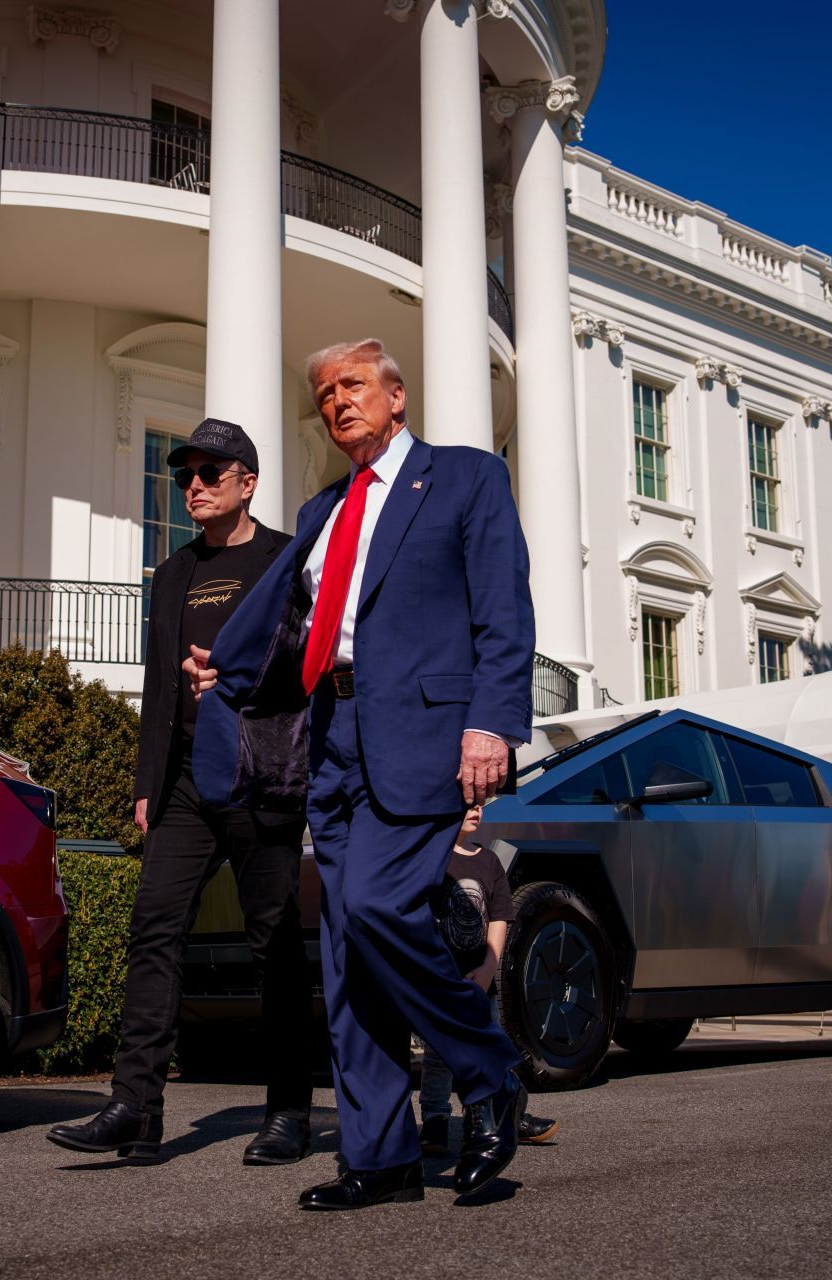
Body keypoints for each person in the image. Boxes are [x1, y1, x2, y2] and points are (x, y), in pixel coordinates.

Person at [188, 338, 537, 1210]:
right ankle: (380, 1157)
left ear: (396, 396)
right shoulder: (320, 511)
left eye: (351, 386)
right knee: (347, 955)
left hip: (425, 732)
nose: (336, 402)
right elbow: (296, 628)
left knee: (381, 907)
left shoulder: (464, 478)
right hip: (333, 739)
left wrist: (491, 722)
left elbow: (503, 606)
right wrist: (227, 670)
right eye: (323, 394)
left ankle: (489, 1071)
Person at [48, 418, 314, 1165]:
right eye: (185, 475)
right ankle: (135, 1106)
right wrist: (147, 782)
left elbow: (312, 661)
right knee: (154, 932)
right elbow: (158, 686)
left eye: (210, 472)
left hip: (261, 775)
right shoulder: (171, 574)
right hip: (187, 781)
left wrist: (241, 678)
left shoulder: (284, 560)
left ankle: (289, 1109)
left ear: (247, 483)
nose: (193, 485)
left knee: (274, 945)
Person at [418, 805, 558, 1156]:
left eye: (480, 802)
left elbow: (499, 918)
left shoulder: (489, 861)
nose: (476, 809)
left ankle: (491, 1116)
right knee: (438, 1054)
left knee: (491, 1046)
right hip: (441, 979)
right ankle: (434, 1119)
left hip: (480, 979)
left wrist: (486, 968)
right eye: (466, 803)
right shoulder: (430, 858)